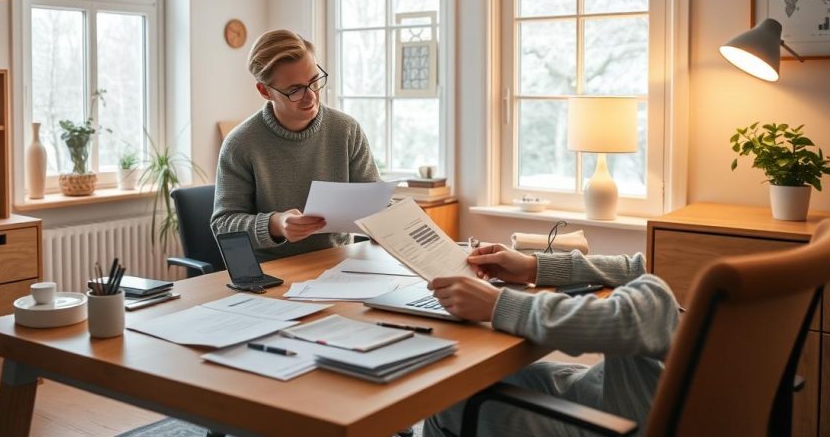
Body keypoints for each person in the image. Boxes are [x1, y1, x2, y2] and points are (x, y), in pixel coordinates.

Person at [423, 244, 681, 437]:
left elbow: (627, 318)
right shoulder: (711, 265)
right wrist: (533, 267)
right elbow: (644, 271)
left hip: (627, 422)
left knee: (445, 403)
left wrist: (498, 304)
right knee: (467, 384)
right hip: (623, 388)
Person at [211, 29, 381, 261]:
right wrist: (275, 224)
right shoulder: (240, 144)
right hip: (272, 273)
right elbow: (223, 225)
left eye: (314, 82)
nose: (310, 96)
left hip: (339, 266)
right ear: (264, 91)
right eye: (294, 90)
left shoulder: (346, 130)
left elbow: (375, 203)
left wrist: (387, 222)